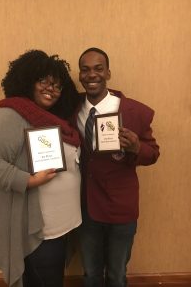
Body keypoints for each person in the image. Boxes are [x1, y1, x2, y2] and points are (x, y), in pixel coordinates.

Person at [0, 50, 82, 287]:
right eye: (44, 81)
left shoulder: (53, 119)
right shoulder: (12, 115)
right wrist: (28, 180)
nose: (51, 89)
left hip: (62, 224)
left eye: (57, 85)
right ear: (27, 81)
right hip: (40, 230)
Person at [76, 47, 160, 287]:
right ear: (80, 75)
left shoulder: (133, 111)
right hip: (86, 207)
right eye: (85, 69)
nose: (92, 74)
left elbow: (153, 153)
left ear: (108, 73)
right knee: (90, 275)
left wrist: (136, 148)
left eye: (98, 68)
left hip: (120, 208)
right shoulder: (73, 108)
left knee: (116, 276)